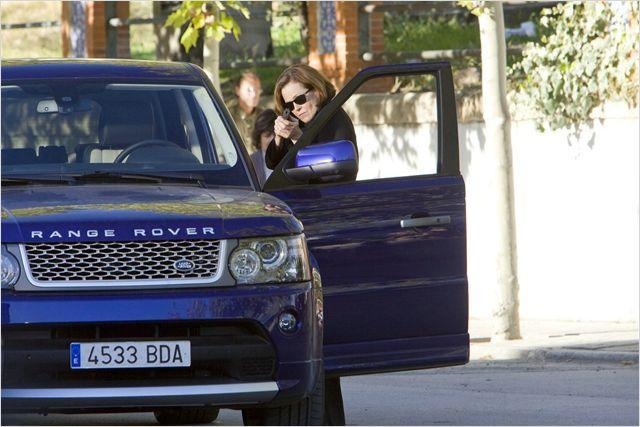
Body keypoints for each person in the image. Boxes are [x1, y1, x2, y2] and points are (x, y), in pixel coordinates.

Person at [265, 64, 356, 170]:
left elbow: (327, 169)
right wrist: (279, 137)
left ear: (317, 91)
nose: (296, 108)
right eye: (289, 105)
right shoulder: (297, 122)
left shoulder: (334, 119)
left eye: (299, 99)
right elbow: (272, 164)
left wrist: (298, 138)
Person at [227, 71, 263, 155]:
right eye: (249, 90)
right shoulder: (228, 116)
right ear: (237, 90)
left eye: (257, 89)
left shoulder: (264, 117)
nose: (254, 94)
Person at [249, 109, 277, 186]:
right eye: (267, 135)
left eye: (276, 135)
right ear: (259, 138)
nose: (272, 139)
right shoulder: (250, 162)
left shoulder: (289, 158)